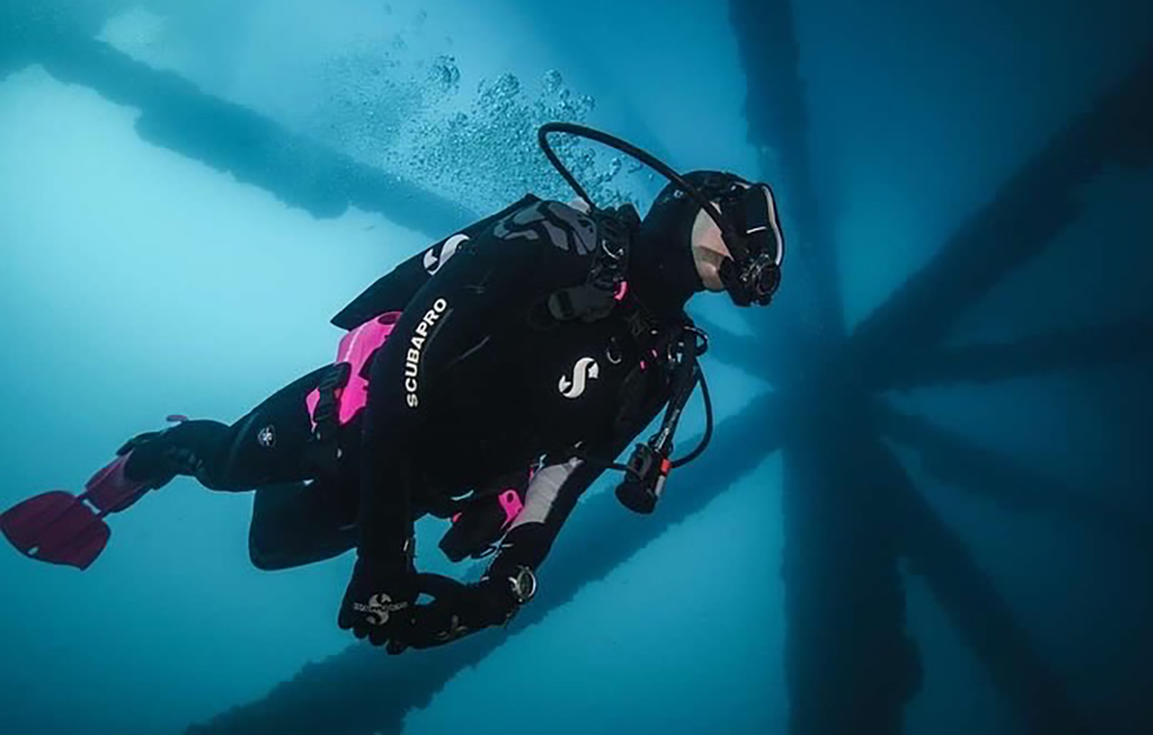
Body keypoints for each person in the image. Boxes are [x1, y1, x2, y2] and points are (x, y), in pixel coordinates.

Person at [1, 125, 785, 653]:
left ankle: (258, 467)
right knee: (227, 466)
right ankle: (160, 454)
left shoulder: (662, 367)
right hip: (350, 419)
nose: (751, 252)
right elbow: (412, 345)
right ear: (690, 211)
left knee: (268, 550)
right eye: (740, 228)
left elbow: (565, 481)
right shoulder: (554, 240)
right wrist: (385, 549)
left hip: (424, 486)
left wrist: (494, 595)